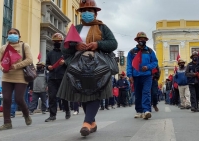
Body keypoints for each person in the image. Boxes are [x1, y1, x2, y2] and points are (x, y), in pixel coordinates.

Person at [57, 0, 117, 137]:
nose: (86, 13)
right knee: (82, 94)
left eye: (90, 11)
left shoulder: (103, 28)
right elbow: (64, 48)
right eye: (84, 11)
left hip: (98, 66)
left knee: (96, 92)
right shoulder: (75, 29)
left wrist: (98, 44)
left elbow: (113, 44)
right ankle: (92, 122)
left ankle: (86, 122)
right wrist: (75, 46)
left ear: (95, 13)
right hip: (78, 66)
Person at [0, 28, 33, 130]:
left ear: (19, 36)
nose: (12, 35)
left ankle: (26, 114)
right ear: (7, 35)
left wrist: (16, 66)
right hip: (7, 76)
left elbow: (29, 59)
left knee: (18, 99)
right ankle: (7, 123)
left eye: (15, 33)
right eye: (10, 33)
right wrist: (2, 68)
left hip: (21, 76)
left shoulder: (24, 46)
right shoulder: (4, 48)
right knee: (6, 99)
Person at [126, 32, 158, 120]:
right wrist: (130, 75)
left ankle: (146, 110)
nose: (142, 40)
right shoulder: (132, 52)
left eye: (144, 39)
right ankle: (139, 111)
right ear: (137, 40)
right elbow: (129, 65)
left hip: (147, 75)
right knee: (138, 93)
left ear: (146, 40)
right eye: (140, 39)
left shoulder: (150, 51)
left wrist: (148, 67)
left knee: (146, 92)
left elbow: (155, 62)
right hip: (136, 76)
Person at [45, 32, 71, 122]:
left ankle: (67, 111)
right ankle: (52, 115)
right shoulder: (50, 53)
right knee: (52, 97)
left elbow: (70, 64)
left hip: (62, 77)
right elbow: (47, 63)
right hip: (52, 77)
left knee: (63, 96)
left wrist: (65, 63)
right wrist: (48, 67)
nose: (57, 42)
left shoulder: (65, 53)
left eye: (59, 41)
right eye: (56, 41)